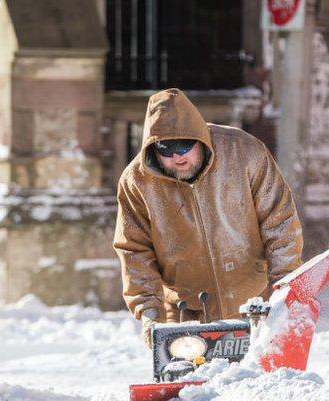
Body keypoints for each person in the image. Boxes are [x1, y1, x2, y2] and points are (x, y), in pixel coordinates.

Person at [113, 88, 303, 347]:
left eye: (184, 145)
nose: (177, 157)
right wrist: (150, 316)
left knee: (259, 385)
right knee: (193, 388)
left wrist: (284, 293)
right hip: (184, 316)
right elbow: (134, 251)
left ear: (199, 138)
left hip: (255, 308)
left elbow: (279, 222)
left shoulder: (245, 153)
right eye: (166, 149)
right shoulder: (137, 182)